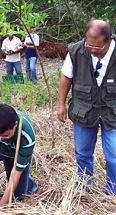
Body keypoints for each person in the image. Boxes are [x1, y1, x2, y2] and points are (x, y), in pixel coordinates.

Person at [57, 19, 116, 194]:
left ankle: (112, 189)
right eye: (89, 46)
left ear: (109, 40)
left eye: (97, 47)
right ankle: (83, 184)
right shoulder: (76, 51)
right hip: (83, 109)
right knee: (82, 153)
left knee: (114, 155)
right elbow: (66, 78)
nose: (92, 50)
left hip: (112, 111)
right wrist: (61, 105)